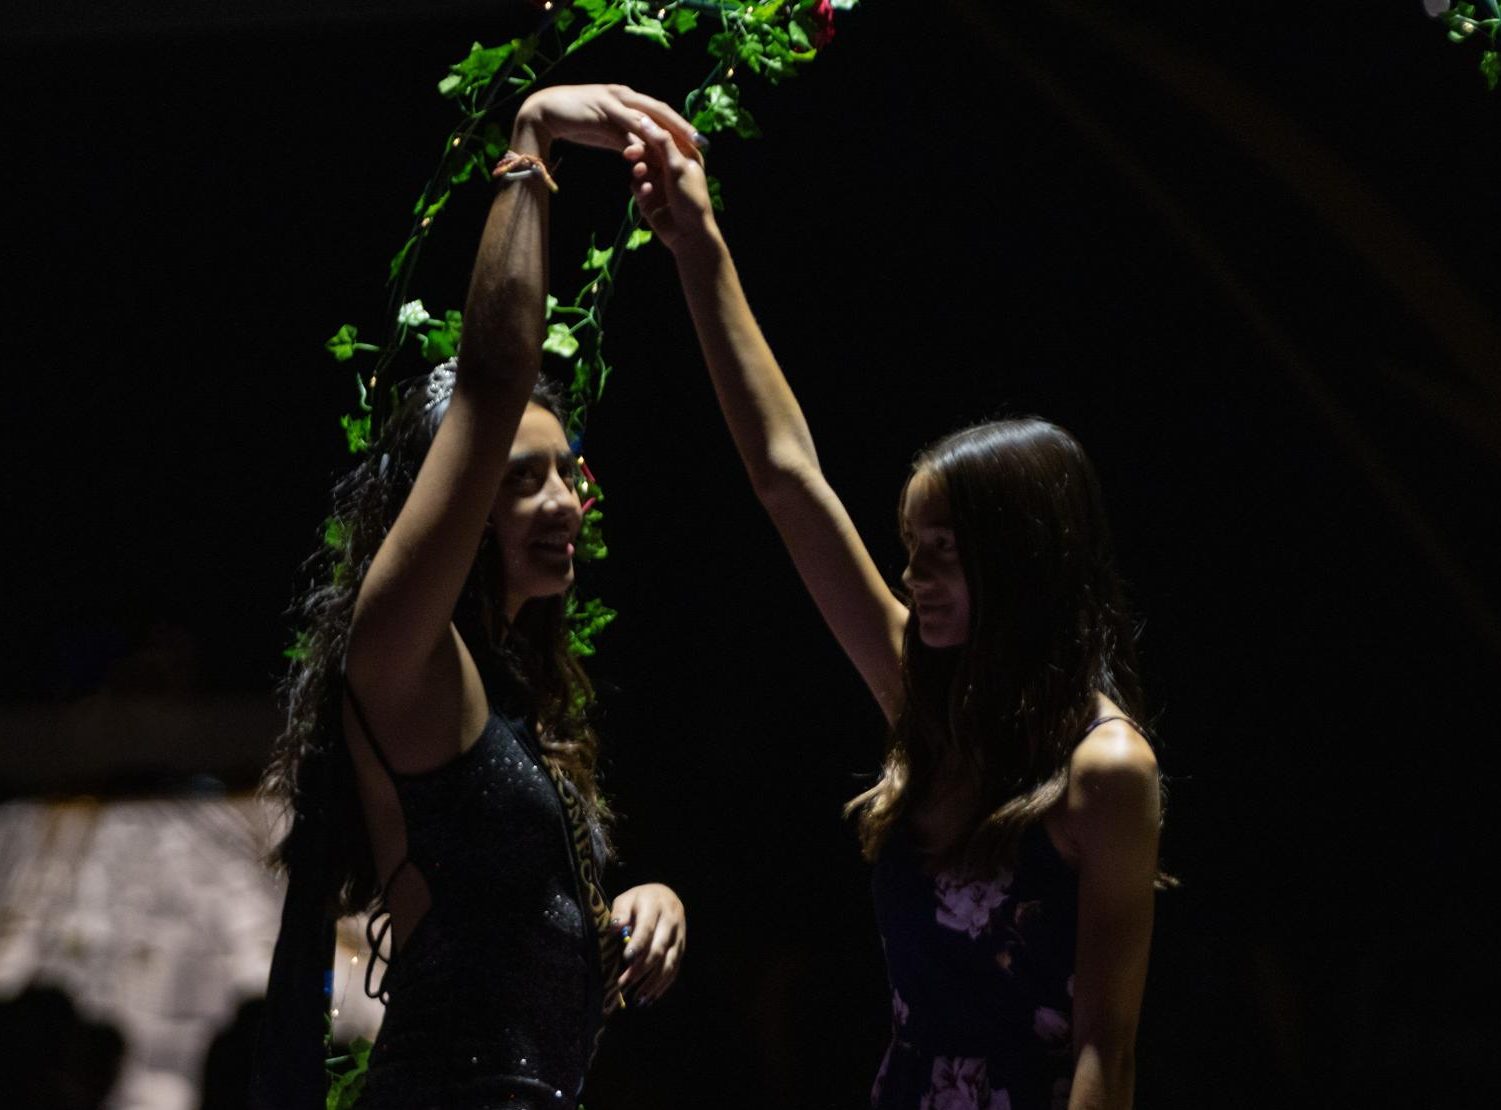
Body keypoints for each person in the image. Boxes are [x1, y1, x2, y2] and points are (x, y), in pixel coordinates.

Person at [624, 118, 1163, 1107]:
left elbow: (1105, 1050)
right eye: (909, 555)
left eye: (941, 557)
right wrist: (695, 243)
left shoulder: (1106, 770)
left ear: (1021, 562)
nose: (911, 580)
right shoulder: (925, 695)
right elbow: (785, 479)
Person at [253, 85, 698, 1110]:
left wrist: (641, 901)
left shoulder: (503, 705)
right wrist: (532, 140)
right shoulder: (399, 655)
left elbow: (528, 929)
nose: (561, 502)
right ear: (448, 504)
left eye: (565, 471)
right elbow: (497, 378)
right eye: (514, 478)